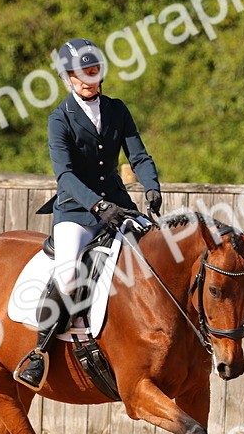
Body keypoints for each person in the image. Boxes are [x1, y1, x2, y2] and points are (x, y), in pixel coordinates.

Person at [12, 37, 162, 391]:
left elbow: (137, 154)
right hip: (76, 211)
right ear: (67, 78)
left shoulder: (117, 109)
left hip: (119, 205)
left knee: (154, 256)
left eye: (92, 72)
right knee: (66, 277)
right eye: (80, 74)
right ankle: (39, 353)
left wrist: (151, 185)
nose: (87, 80)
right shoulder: (59, 119)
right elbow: (64, 175)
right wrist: (97, 205)